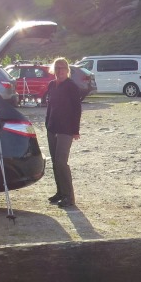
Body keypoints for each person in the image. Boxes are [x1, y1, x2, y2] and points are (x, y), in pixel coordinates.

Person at [44, 57, 82, 208]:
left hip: (66, 129)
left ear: (67, 70)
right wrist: (47, 124)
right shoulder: (51, 85)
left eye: (62, 68)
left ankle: (69, 196)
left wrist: (75, 130)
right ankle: (60, 192)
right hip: (52, 127)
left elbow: (77, 109)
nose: (59, 71)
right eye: (57, 68)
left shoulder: (71, 86)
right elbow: (49, 106)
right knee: (55, 162)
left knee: (61, 162)